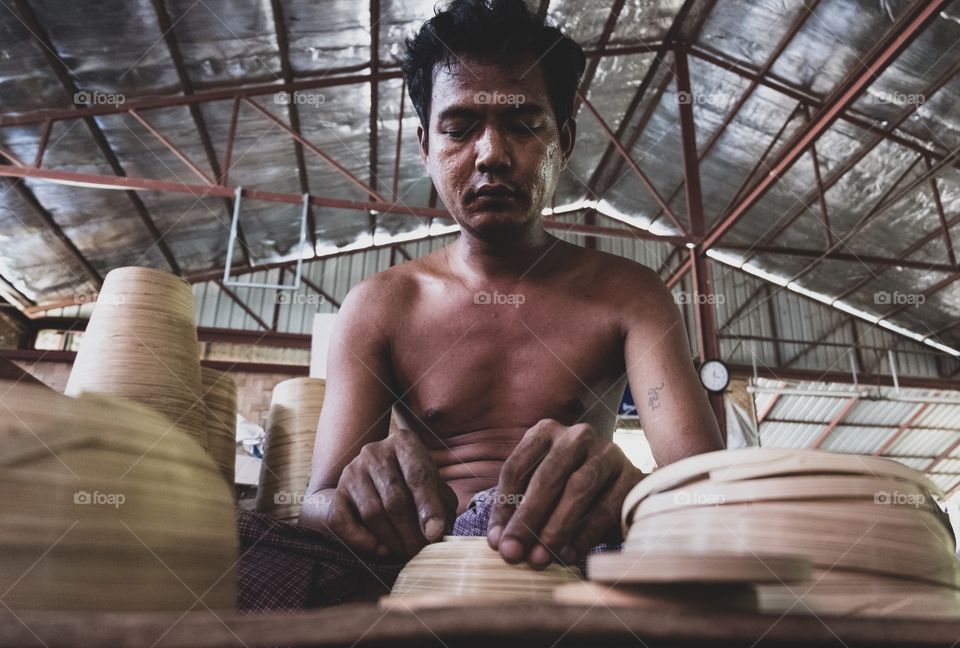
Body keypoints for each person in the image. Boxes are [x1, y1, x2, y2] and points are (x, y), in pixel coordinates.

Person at [296, 0, 723, 572]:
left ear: (564, 141)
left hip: (572, 560)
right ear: (425, 146)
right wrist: (357, 497)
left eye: (524, 126)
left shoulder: (631, 296)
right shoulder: (380, 305)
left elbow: (705, 491)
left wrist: (631, 494)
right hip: (425, 567)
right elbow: (316, 505)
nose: (492, 155)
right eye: (459, 128)